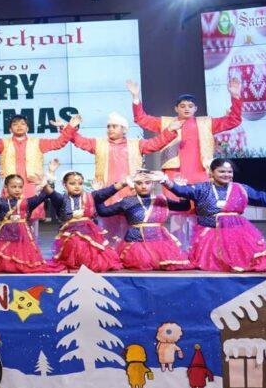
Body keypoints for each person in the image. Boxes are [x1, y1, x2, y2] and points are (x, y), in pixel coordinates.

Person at [127, 78, 243, 241]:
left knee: (201, 211)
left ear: (196, 108)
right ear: (176, 108)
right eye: (182, 106)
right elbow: (142, 119)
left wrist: (235, 97)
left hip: (200, 173)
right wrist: (135, 97)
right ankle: (179, 249)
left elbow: (233, 120)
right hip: (175, 173)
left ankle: (200, 246)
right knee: (177, 214)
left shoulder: (206, 123)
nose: (186, 108)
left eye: (190, 106)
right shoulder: (166, 123)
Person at [161, 159, 266, 272]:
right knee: (212, 269)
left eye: (229, 172)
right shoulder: (201, 188)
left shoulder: (241, 188)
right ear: (212, 172)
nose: (226, 174)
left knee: (247, 267)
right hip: (209, 238)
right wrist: (164, 180)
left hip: (237, 237)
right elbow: (181, 191)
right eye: (222, 171)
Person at [69, 112, 180, 240]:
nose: (110, 129)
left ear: (124, 129)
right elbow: (79, 141)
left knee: (131, 233)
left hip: (131, 194)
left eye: (114, 126)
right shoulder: (98, 144)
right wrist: (69, 128)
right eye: (109, 126)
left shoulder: (136, 144)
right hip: (108, 194)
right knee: (108, 235)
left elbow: (156, 143)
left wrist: (169, 130)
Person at [0, 93, 76, 234]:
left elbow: (59, 143)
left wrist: (68, 127)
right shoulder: (3, 143)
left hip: (31, 187)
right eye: (15, 124)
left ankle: (31, 248)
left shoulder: (37, 142)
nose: (19, 126)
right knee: (9, 225)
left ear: (28, 128)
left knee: (31, 229)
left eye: (22, 124)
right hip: (11, 188)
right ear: (10, 129)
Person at [93, 171, 194, 271]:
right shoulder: (127, 201)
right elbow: (103, 211)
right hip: (135, 245)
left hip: (161, 245)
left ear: (153, 184)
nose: (143, 186)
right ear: (133, 184)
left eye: (147, 183)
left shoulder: (161, 200)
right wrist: (117, 186)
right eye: (139, 183)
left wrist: (179, 188)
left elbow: (184, 207)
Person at [0, 165, 65, 273]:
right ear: (6, 187)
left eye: (20, 187)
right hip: (5, 236)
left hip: (23, 237)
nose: (17, 189)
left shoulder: (28, 203)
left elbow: (45, 195)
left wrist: (49, 176)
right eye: (13, 186)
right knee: (5, 263)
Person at [47, 171, 123, 272]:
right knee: (75, 242)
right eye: (72, 183)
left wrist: (124, 183)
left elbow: (108, 191)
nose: (77, 186)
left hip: (89, 230)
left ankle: (87, 264)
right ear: (64, 185)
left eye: (80, 183)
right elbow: (51, 193)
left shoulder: (90, 196)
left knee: (91, 250)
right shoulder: (61, 199)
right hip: (70, 231)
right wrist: (48, 178)